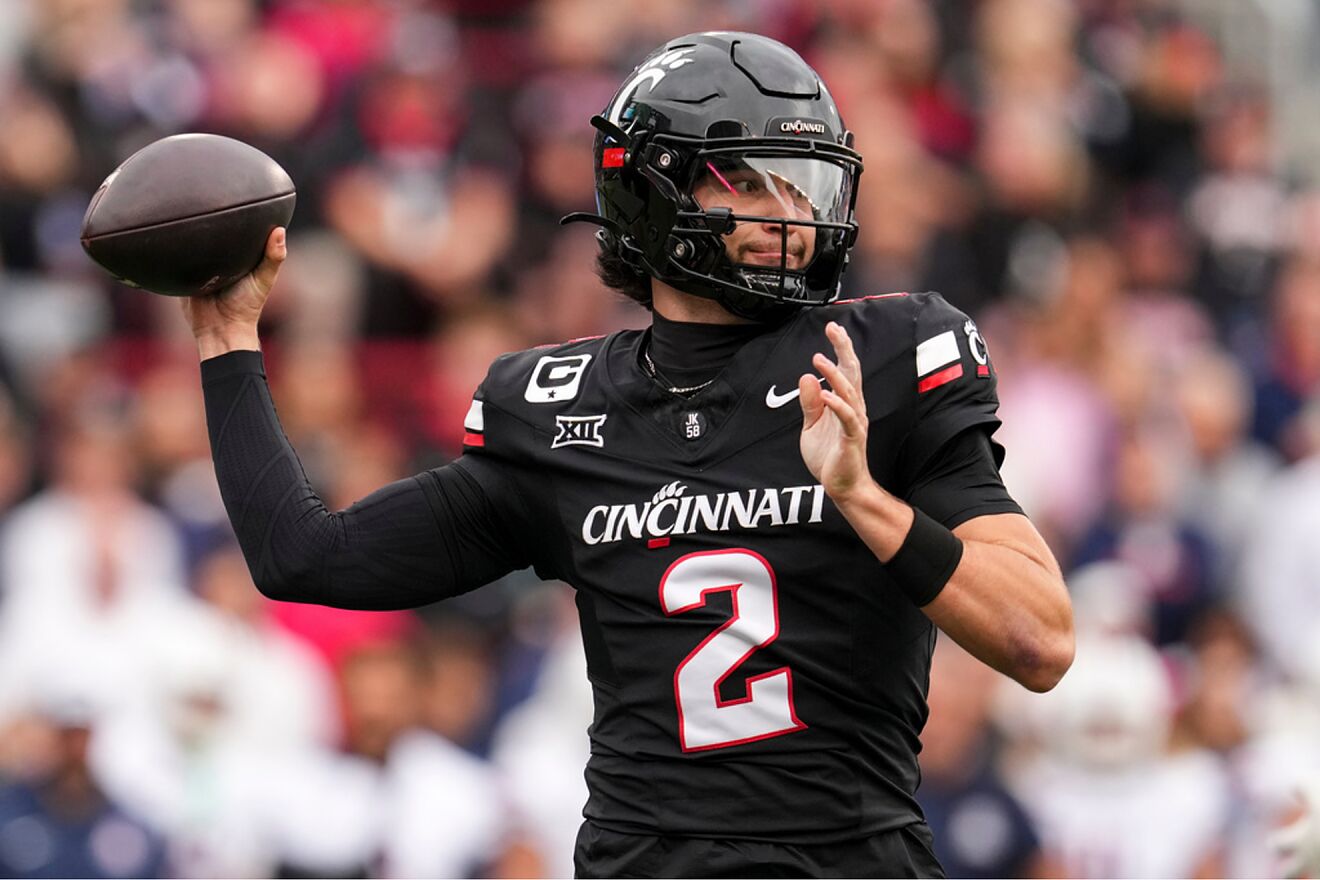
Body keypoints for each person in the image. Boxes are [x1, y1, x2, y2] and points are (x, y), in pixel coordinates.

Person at [183, 32, 1073, 879]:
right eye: (751, 184)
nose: (790, 214)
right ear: (651, 190)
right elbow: (304, 556)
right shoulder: (560, 412)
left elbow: (1039, 641)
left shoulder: (878, 358)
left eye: (803, 186)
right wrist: (227, 338)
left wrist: (865, 498)